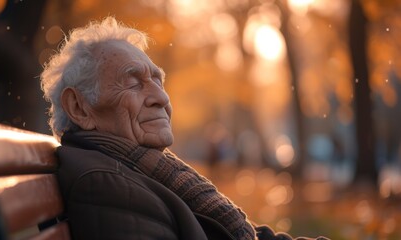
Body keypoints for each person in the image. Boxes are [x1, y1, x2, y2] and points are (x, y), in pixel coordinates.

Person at [41, 17, 327, 240]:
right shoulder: (106, 184)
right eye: (133, 81)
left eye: (158, 81)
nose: (161, 98)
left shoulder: (138, 169)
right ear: (79, 108)